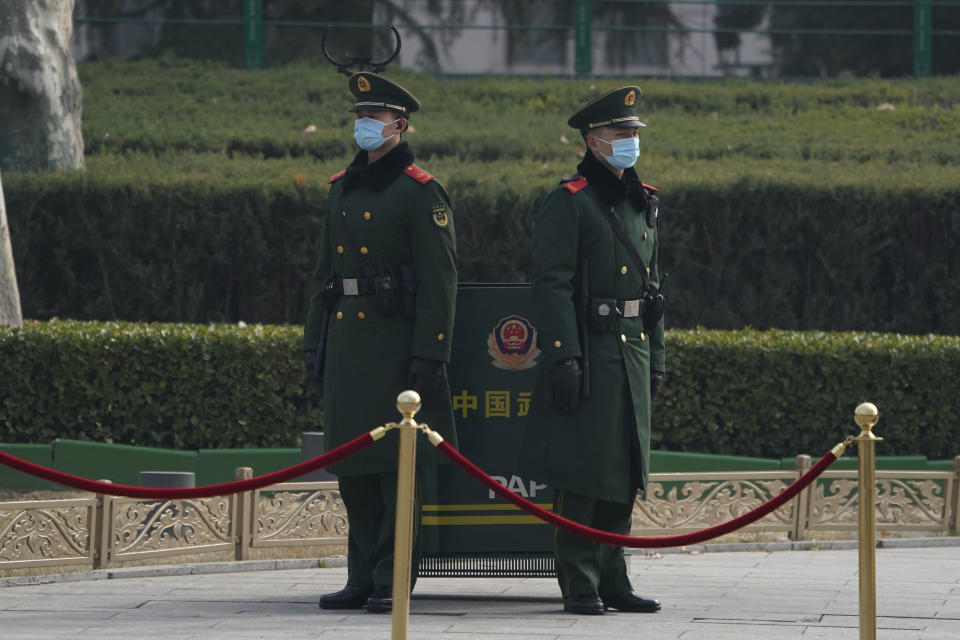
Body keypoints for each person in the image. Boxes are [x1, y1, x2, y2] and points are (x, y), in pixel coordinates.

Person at [303, 72, 458, 613]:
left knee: (397, 474)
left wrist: (430, 352)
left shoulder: (419, 191)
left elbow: (440, 282)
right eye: (359, 117)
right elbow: (324, 273)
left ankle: (392, 577)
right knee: (355, 472)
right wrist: (313, 343)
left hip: (396, 348)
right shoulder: (341, 188)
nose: (365, 126)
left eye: (375, 118)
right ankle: (361, 575)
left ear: (400, 124)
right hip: (348, 344)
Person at [521, 86, 666, 615]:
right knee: (584, 472)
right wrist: (564, 354)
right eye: (620, 134)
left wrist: (659, 358)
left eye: (633, 133)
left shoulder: (642, 201)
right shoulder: (570, 202)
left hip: (631, 352)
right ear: (593, 140)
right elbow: (550, 283)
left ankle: (615, 577)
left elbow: (654, 292)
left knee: (623, 473)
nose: (630, 142)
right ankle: (580, 582)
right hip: (590, 350)